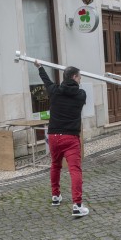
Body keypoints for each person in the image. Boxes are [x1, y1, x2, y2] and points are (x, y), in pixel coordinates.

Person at [34, 60, 89, 217]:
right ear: (74, 77)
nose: (80, 80)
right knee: (75, 170)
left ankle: (55, 196)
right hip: (70, 137)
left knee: (55, 165)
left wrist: (40, 67)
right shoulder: (81, 95)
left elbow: (46, 81)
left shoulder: (55, 91)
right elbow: (51, 83)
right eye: (79, 77)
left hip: (53, 136)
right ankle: (77, 205)